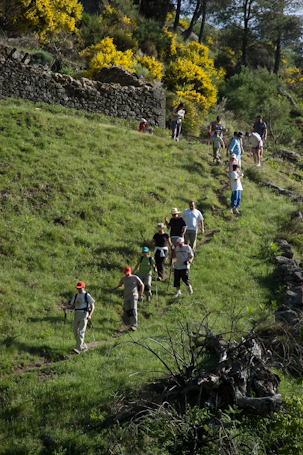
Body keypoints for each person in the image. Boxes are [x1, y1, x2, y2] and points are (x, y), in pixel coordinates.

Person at [63, 281, 95, 354]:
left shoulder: (87, 295)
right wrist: (66, 308)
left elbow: (92, 305)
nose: (79, 289)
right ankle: (83, 345)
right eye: (78, 288)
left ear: (83, 287)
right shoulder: (76, 296)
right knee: (75, 331)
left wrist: (90, 315)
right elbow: (73, 306)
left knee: (81, 331)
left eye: (80, 288)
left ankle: (78, 348)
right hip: (77, 314)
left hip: (84, 314)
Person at [110, 267, 144, 331]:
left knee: (133, 309)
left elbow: (142, 285)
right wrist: (114, 288)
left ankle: (134, 325)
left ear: (130, 272)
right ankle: (130, 323)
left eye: (127, 273)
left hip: (134, 295)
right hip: (126, 296)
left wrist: (140, 294)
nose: (126, 274)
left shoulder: (135, 278)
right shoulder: (123, 279)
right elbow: (120, 285)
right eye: (125, 273)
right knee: (128, 310)